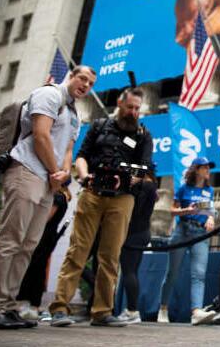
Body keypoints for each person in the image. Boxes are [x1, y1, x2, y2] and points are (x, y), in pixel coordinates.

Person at [0, 66, 95, 330]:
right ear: (71, 77)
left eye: (90, 83)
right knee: (10, 240)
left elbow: (67, 148)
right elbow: (41, 135)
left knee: (28, 245)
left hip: (48, 182)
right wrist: (56, 171)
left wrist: (63, 175)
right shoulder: (49, 95)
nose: (86, 85)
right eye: (82, 79)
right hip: (27, 170)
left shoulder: (74, 113)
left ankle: (8, 305)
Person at [49, 87, 153, 327]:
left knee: (110, 256)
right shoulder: (98, 126)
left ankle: (102, 312)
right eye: (130, 107)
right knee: (78, 251)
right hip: (93, 193)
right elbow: (82, 156)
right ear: (120, 103)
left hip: (122, 198)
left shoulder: (143, 135)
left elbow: (145, 168)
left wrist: (125, 176)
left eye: (138, 108)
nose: (134, 112)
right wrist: (85, 177)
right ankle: (59, 308)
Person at [158, 156, 217, 325]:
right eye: (204, 167)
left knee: (199, 274)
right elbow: (172, 211)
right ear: (196, 169)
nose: (208, 170)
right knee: (172, 273)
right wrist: (186, 211)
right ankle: (163, 308)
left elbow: (209, 210)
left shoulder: (209, 191)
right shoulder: (184, 189)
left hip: (200, 234)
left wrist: (211, 219)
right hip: (182, 232)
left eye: (208, 167)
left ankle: (196, 312)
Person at [17, 186, 71, 321]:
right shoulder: (59, 196)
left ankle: (30, 304)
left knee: (35, 269)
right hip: (45, 236)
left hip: (44, 236)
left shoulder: (58, 197)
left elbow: (45, 218)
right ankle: (30, 304)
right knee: (36, 269)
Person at [117, 165, 159, 324]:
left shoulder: (144, 186)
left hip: (134, 233)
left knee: (129, 271)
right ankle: (132, 309)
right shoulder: (152, 186)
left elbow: (135, 210)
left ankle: (132, 310)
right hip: (142, 231)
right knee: (132, 271)